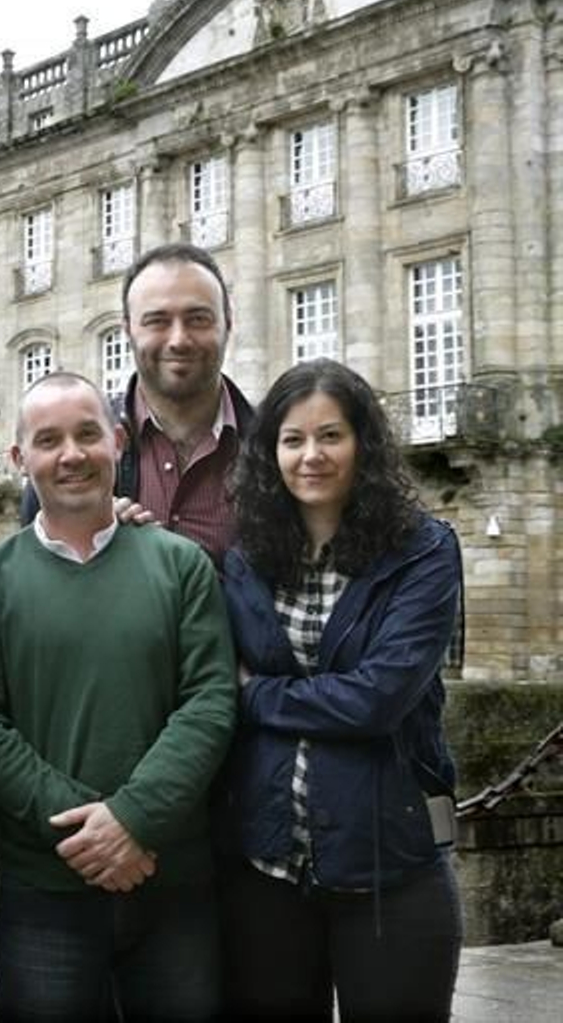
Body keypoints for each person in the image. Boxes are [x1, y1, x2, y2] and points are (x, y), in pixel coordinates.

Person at [0, 371, 237, 1021]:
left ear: (116, 442)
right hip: (43, 894)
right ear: (21, 459)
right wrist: (92, 829)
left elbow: (210, 703)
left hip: (172, 886)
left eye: (86, 435)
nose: (71, 454)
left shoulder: (180, 565)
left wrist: (133, 819)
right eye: (48, 440)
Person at [217, 358, 464, 1021]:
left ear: (364, 445)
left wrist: (256, 696)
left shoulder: (423, 552)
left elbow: (377, 700)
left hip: (389, 862)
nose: (311, 455)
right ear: (271, 454)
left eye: (331, 436)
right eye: (292, 440)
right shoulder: (247, 561)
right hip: (267, 867)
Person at [21, 242, 255, 570]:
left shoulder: (270, 449)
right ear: (127, 330)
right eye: (157, 321)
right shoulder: (72, 459)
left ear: (228, 323)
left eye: (198, 319)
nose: (178, 339)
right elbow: (37, 582)